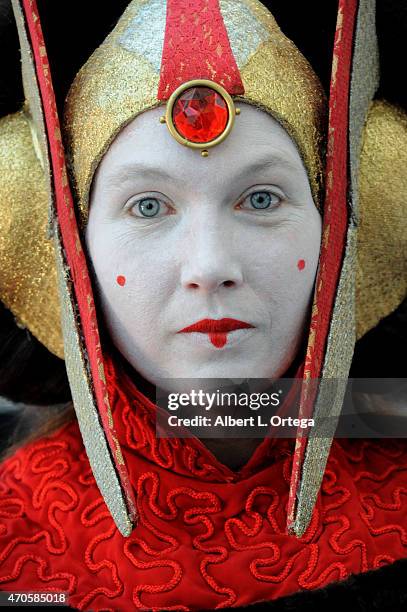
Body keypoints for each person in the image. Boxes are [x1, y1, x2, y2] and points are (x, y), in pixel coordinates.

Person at [0, 0, 406, 610]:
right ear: (70, 247)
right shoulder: (12, 538)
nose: (211, 266)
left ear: (341, 228)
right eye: (147, 205)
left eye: (262, 199)